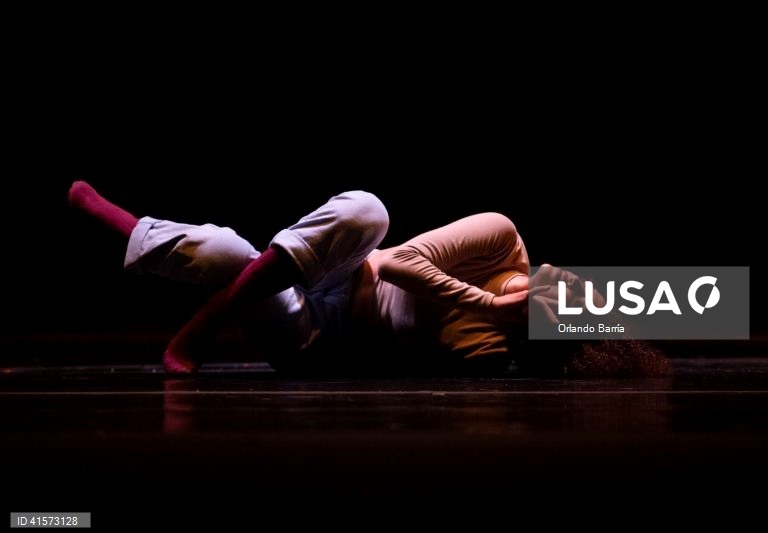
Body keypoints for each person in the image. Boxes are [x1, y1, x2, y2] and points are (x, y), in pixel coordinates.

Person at [68, 181, 669, 377]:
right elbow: (400, 263)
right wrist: (487, 301)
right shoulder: (502, 237)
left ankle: (136, 240)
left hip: (314, 337)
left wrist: (495, 320)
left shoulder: (489, 353)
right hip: (338, 266)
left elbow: (388, 362)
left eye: (556, 301)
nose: (556, 282)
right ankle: (209, 320)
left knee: (224, 253)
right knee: (367, 211)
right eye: (569, 282)